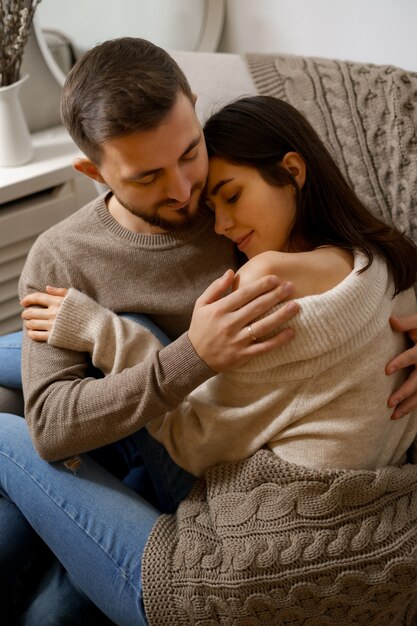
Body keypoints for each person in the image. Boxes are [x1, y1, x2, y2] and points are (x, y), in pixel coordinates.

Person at [2, 94, 417, 625]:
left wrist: (100, 331)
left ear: (292, 171)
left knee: (7, 437)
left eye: (231, 195)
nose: (218, 225)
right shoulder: (386, 258)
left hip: (232, 578)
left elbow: (193, 442)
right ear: (94, 171)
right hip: (349, 540)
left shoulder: (264, 280)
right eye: (212, 203)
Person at [0, 38, 299, 624]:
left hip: (218, 469)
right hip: (148, 433)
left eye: (191, 152)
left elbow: (368, 248)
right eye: (148, 177)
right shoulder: (62, 258)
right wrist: (193, 356)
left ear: (193, 104)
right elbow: (52, 427)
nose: (186, 191)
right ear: (93, 171)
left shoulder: (247, 186)